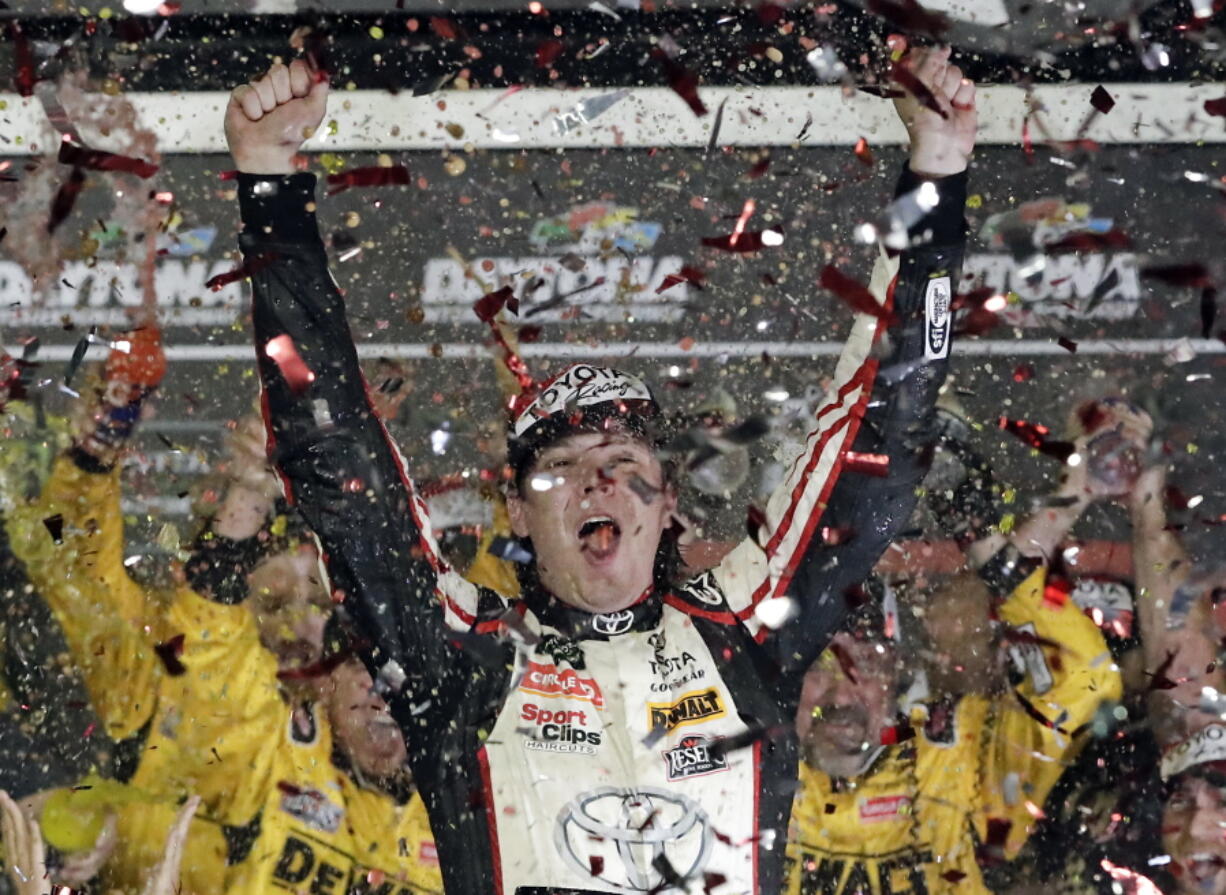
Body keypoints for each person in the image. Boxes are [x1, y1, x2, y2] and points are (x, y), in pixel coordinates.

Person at [224, 40, 975, 893]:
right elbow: (337, 463)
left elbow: (883, 438)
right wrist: (271, 186)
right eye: (564, 466)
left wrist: (938, 170)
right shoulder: (465, 661)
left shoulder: (742, 633)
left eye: (624, 461)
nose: (598, 482)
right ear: (516, 511)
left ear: (666, 504)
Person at [8, 352, 442, 895]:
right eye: (276, 601)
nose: (301, 629)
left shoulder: (355, 735)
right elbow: (74, 560)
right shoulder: (166, 656)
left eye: (320, 607)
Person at [786, 414, 1127, 895]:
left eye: (864, 664)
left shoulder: (956, 755)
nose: (843, 691)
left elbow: (1084, 681)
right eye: (820, 668)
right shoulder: (751, 765)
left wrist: (986, 543)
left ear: (896, 674)